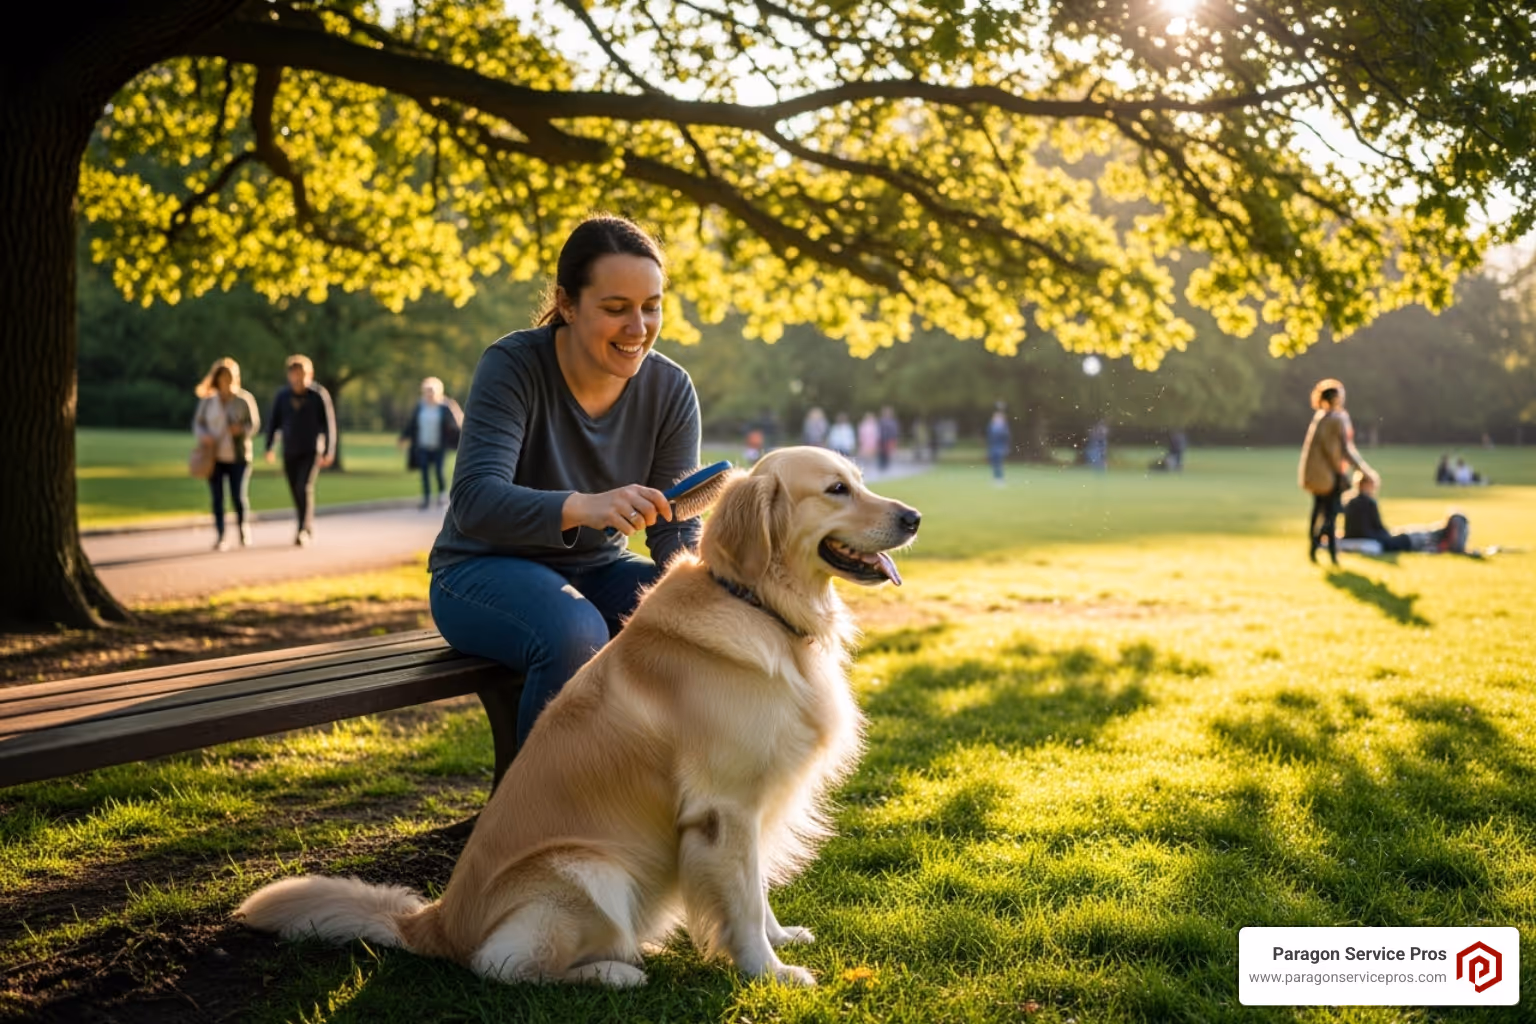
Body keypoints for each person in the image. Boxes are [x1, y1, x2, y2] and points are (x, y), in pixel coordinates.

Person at [427, 215, 703, 754]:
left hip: (598, 569)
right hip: (477, 569)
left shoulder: (671, 389)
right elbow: (475, 500)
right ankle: (531, 818)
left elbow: (676, 527)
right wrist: (584, 507)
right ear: (569, 304)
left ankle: (639, 809)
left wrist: (700, 590)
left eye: (651, 305)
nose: (638, 327)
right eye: (616, 308)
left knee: (690, 627)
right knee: (574, 632)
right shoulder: (514, 365)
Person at [1298, 377, 1376, 565]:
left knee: (1319, 512)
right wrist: (1364, 471)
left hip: (1315, 476)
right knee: (1331, 515)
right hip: (1329, 476)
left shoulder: (1320, 418)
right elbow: (1344, 450)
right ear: (1335, 398)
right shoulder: (1337, 419)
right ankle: (1326, 550)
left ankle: (1317, 549)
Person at [264, 354, 337, 546]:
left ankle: (302, 528)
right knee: (295, 490)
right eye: (295, 374)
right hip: (289, 450)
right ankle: (306, 523)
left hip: (311, 450)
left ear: (310, 375)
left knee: (303, 486)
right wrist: (269, 446)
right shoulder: (282, 396)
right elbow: (273, 423)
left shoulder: (318, 395)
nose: (299, 378)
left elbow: (329, 425)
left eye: (303, 374)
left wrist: (329, 450)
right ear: (289, 375)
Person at [192, 357, 261, 551]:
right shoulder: (209, 402)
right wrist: (204, 436)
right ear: (217, 379)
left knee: (238, 496)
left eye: (230, 378)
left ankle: (242, 528)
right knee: (217, 497)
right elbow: (198, 424)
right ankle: (221, 535)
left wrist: (241, 430)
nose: (226, 382)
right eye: (223, 378)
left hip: (238, 457)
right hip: (214, 457)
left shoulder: (243, 399)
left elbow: (253, 425)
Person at [1343, 472, 1471, 554]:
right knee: (1420, 535)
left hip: (1378, 538)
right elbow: (1378, 527)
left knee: (1415, 532)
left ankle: (1447, 529)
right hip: (1385, 540)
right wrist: (1388, 535)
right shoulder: (1369, 502)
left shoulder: (1350, 501)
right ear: (1366, 485)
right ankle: (1448, 529)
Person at [399, 376, 464, 509]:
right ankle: (426, 499)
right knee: (424, 472)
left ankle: (441, 497)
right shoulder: (420, 406)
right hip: (423, 444)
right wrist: (403, 437)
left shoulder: (445, 406)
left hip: (439, 445)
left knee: (439, 471)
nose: (429, 393)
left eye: (432, 390)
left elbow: (456, 425)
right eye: (427, 390)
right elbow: (412, 424)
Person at [986, 408, 1011, 484]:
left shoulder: (1004, 427)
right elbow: (989, 437)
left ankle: (1000, 478)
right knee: (994, 463)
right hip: (993, 447)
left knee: (999, 463)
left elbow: (1007, 438)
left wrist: (1006, 447)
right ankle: (995, 478)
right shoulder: (991, 426)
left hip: (1000, 447)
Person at [877, 406, 901, 472]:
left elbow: (894, 431)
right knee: (882, 453)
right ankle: (881, 466)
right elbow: (878, 431)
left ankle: (886, 466)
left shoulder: (892, 422)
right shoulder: (881, 421)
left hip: (889, 439)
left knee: (887, 453)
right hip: (882, 439)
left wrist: (894, 439)